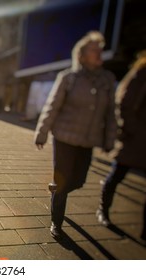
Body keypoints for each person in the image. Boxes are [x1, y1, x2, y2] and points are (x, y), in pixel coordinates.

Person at [34, 31, 117, 239]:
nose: (98, 52)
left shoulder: (107, 80)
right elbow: (51, 107)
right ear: (81, 55)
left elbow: (110, 113)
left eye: (100, 49)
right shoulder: (69, 78)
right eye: (93, 49)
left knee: (79, 181)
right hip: (64, 138)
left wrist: (109, 139)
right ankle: (56, 223)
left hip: (87, 141)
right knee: (62, 182)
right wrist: (42, 133)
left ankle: (57, 191)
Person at [96, 50, 146, 241]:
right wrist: (131, 129)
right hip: (136, 138)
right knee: (117, 175)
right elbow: (124, 100)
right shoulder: (141, 71)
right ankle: (103, 209)